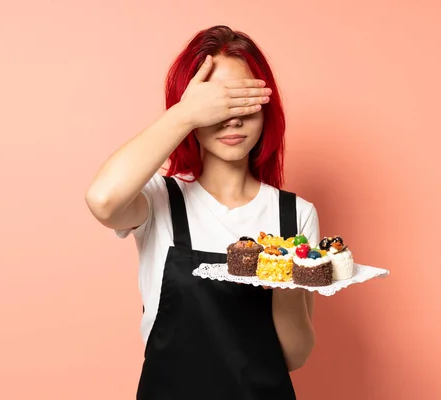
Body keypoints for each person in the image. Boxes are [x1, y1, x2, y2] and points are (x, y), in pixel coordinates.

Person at [85, 25, 320, 399]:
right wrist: (185, 115)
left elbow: (295, 356)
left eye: (243, 101)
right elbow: (102, 199)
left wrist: (287, 280)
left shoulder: (295, 215)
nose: (232, 119)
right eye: (218, 103)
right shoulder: (158, 200)